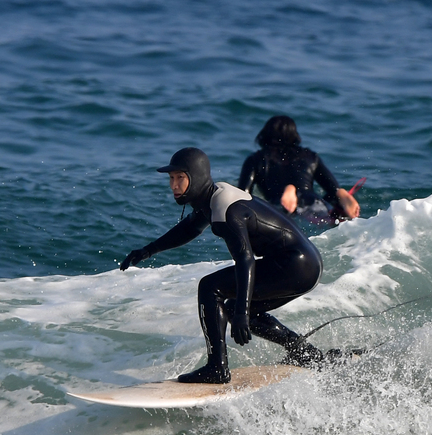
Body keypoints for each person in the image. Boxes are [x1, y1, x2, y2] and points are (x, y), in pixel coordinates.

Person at [119, 147, 332, 383]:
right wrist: (148, 250)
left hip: (295, 266)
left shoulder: (226, 211)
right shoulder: (213, 196)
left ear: (197, 177)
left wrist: (242, 312)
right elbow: (190, 228)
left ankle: (217, 368)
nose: (173, 185)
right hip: (305, 263)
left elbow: (245, 259)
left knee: (211, 287)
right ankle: (305, 353)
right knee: (232, 307)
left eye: (180, 178)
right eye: (171, 178)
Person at [238, 116, 361, 222]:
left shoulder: (256, 159)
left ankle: (290, 190)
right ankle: (341, 199)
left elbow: (243, 195)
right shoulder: (310, 156)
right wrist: (336, 191)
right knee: (328, 209)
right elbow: (330, 187)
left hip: (280, 204)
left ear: (264, 135)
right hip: (312, 201)